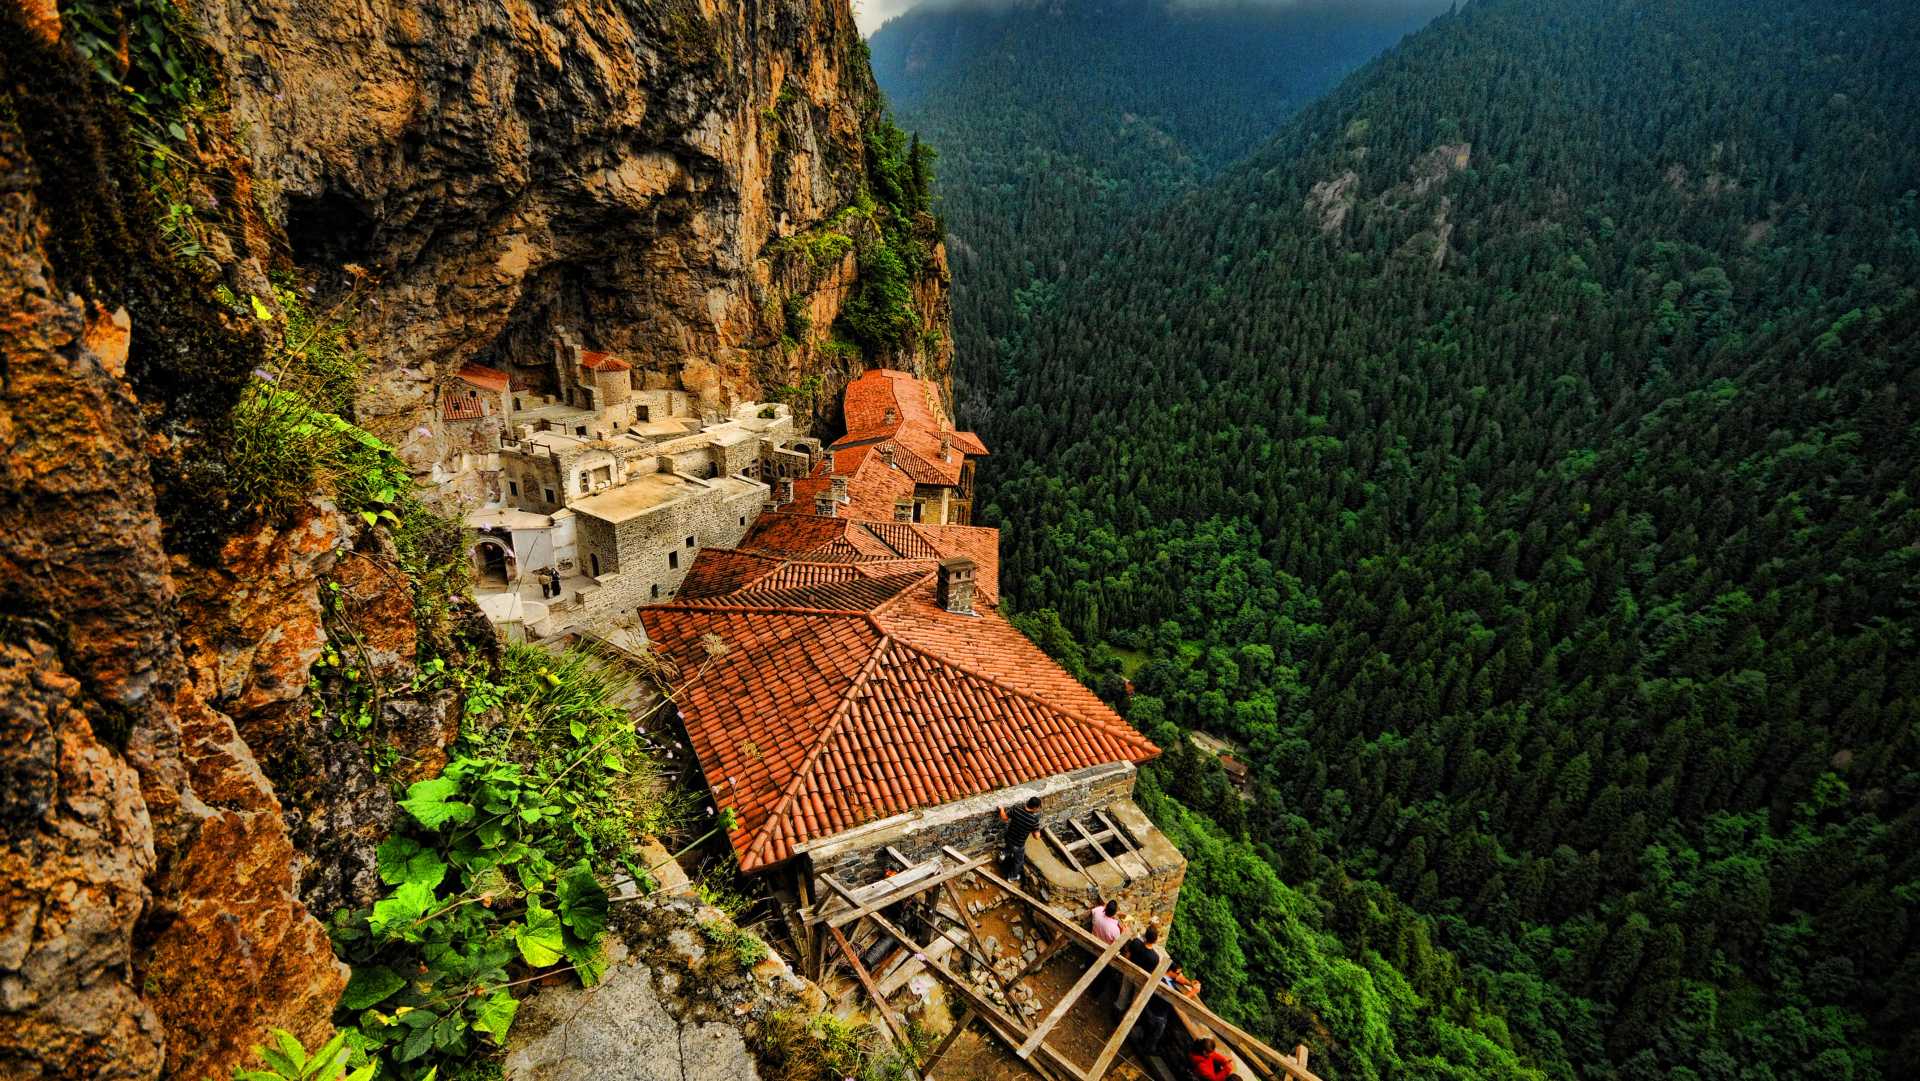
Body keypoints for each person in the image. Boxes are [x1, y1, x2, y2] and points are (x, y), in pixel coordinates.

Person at [996, 795, 1042, 884]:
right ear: (1035, 808)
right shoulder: (1033, 820)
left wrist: (1001, 809)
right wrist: (1035, 829)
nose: (1038, 809)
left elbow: (1004, 818)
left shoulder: (1016, 809)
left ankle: (1003, 854)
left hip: (1009, 837)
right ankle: (1012, 877)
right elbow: (1037, 837)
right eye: (1039, 808)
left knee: (1009, 846)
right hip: (1018, 844)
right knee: (1019, 861)